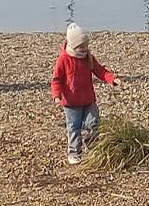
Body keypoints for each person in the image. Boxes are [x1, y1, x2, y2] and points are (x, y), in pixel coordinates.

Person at [50, 24, 122, 165]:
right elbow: (56, 79)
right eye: (80, 46)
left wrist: (112, 79)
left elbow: (100, 70)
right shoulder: (64, 59)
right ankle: (74, 152)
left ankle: (94, 148)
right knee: (74, 127)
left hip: (88, 99)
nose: (84, 48)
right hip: (71, 103)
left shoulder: (88, 57)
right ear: (73, 45)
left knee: (93, 123)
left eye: (85, 45)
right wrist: (57, 95)